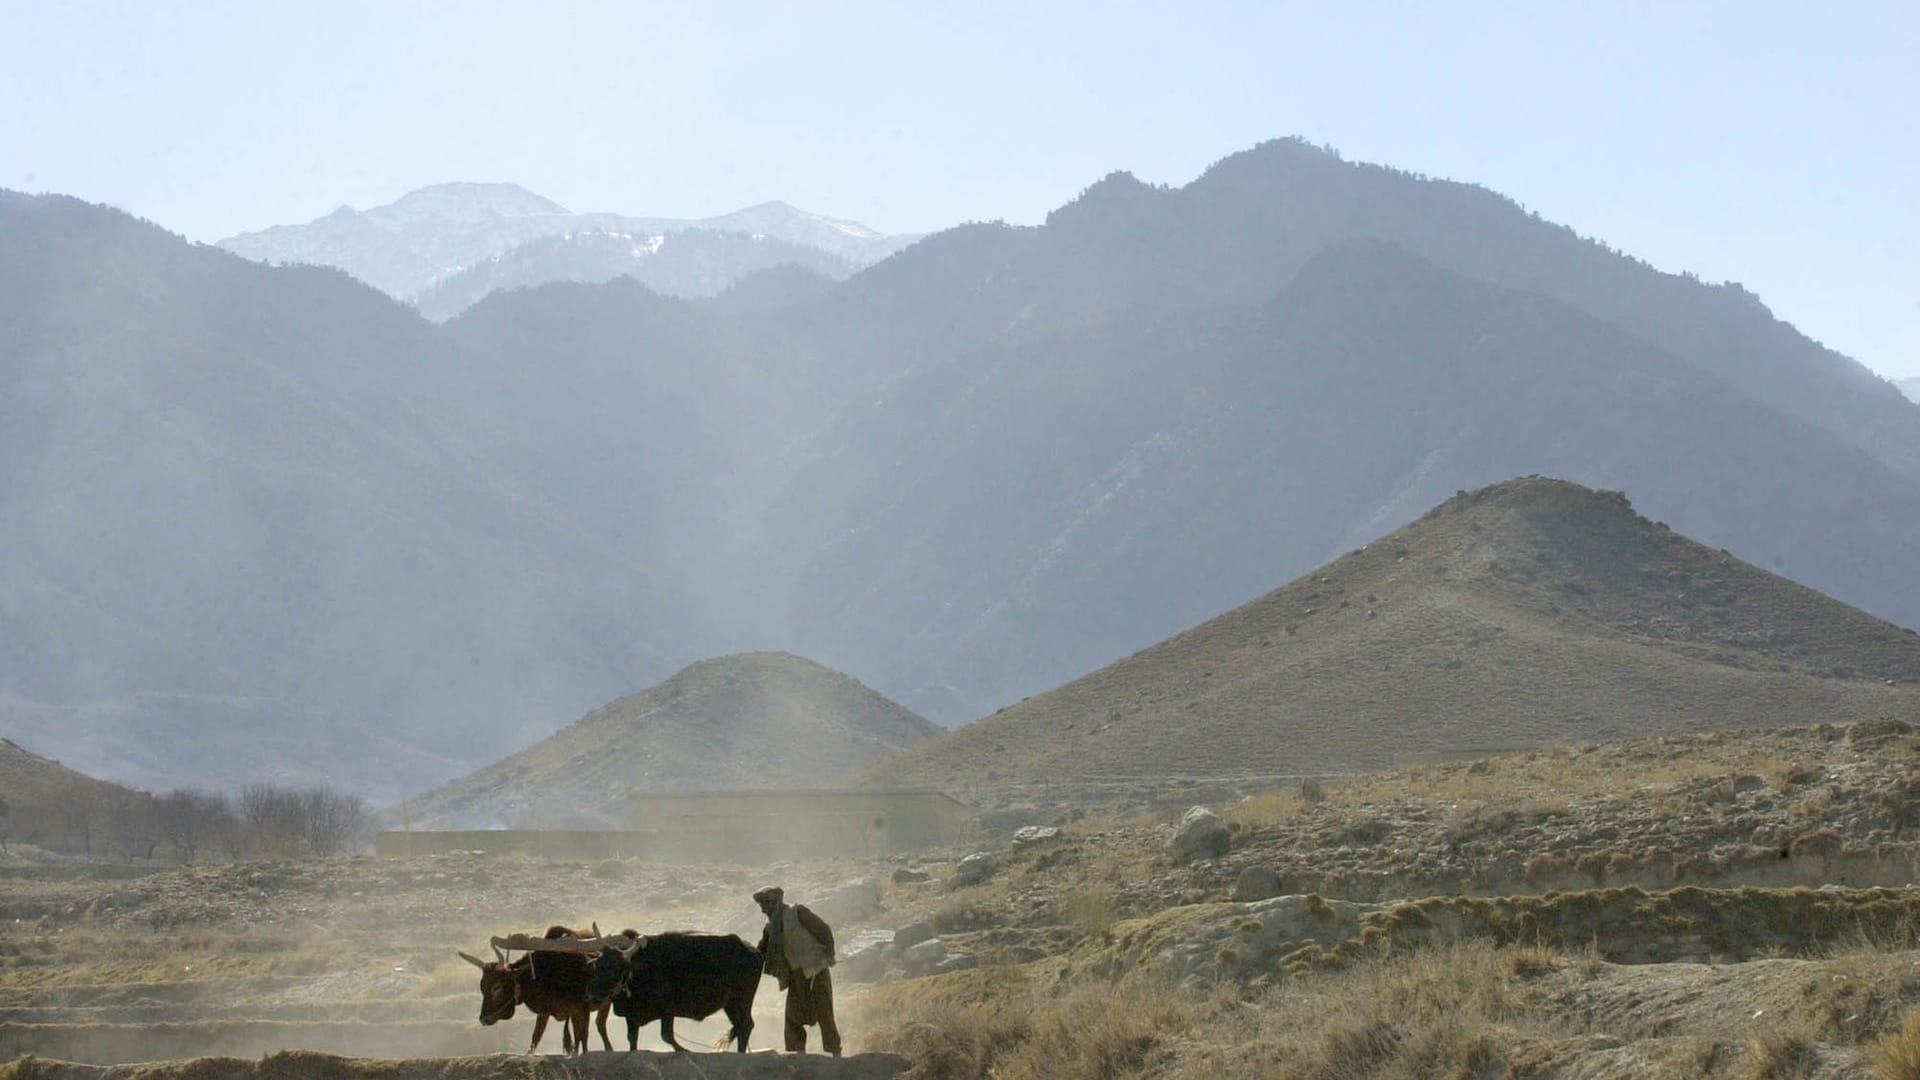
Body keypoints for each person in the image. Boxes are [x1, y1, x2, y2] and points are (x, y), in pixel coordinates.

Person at [753, 885, 841, 1055]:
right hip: (795, 974)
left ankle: (835, 1052)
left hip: (816, 968)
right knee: (793, 1015)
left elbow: (823, 930)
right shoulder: (770, 928)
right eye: (761, 905)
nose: (763, 909)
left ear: (775, 902)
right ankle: (797, 1055)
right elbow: (760, 952)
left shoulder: (797, 912)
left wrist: (830, 953)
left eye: (765, 904)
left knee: (824, 1011)